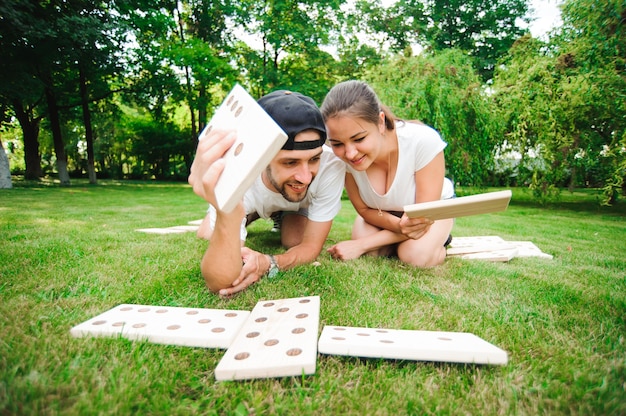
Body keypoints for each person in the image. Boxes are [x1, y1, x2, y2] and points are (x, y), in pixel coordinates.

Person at [188, 89, 345, 296]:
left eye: (314, 159)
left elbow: (310, 247)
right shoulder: (238, 171)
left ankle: (282, 213)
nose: (306, 177)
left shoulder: (331, 165)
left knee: (293, 240)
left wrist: (269, 262)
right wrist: (228, 216)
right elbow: (221, 282)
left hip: (297, 203)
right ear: (261, 157)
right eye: (290, 162)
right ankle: (247, 214)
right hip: (254, 197)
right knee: (206, 233)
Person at [320, 80, 454, 267]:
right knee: (372, 254)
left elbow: (422, 219)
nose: (349, 154)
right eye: (337, 143)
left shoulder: (423, 141)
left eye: (359, 138)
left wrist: (360, 245)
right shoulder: (341, 158)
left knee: (414, 257)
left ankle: (440, 243)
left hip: (430, 214)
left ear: (380, 122)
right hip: (384, 215)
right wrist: (398, 227)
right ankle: (398, 242)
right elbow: (365, 210)